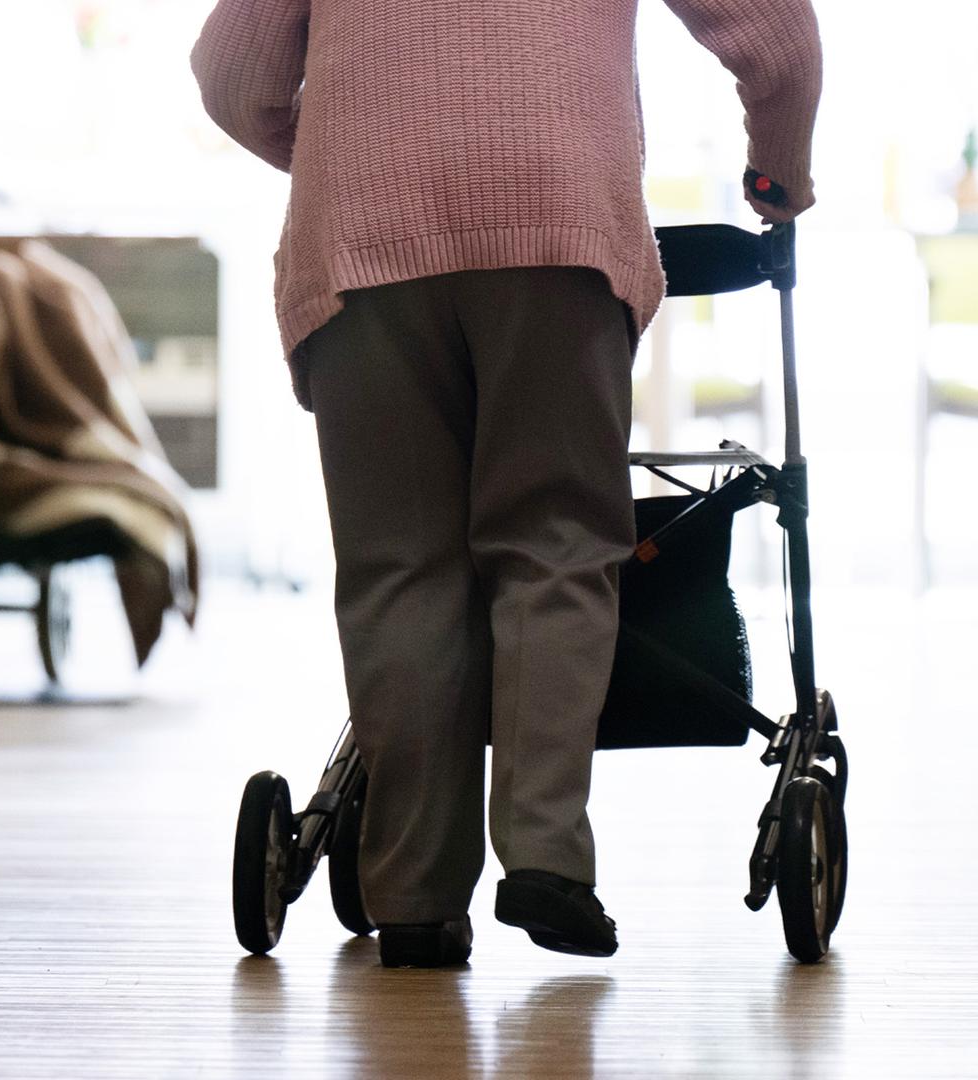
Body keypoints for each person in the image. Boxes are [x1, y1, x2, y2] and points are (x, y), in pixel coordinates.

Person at [193, 0, 822, 968]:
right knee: (555, 544)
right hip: (556, 224)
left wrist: (348, 151)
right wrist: (777, 172)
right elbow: (777, 40)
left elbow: (233, 74)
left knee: (400, 567)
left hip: (362, 239)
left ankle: (413, 899)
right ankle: (545, 859)